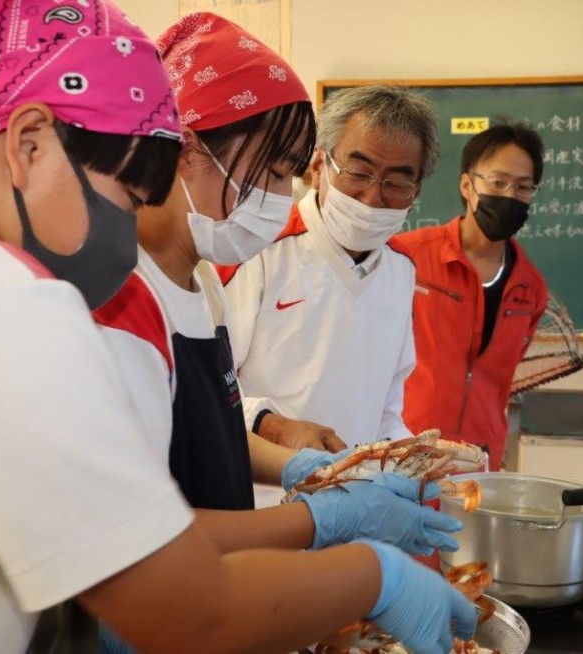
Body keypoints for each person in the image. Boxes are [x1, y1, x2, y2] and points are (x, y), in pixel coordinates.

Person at [0, 3, 476, 653]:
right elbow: (192, 614)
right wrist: (371, 575)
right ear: (28, 143)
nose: (125, 237)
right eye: (126, 195)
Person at [92, 18, 465, 652]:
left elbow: (207, 424)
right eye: (273, 170)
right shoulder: (122, 300)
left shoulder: (200, 282)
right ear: (186, 147)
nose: (278, 194)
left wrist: (316, 467)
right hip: (184, 597)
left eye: (286, 173)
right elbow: (128, 540)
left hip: (235, 574)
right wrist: (325, 514)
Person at [219, 85, 438, 452]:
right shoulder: (256, 251)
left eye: (397, 182)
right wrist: (272, 425)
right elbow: (205, 386)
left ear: (416, 191)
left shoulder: (402, 270)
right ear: (319, 166)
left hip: (359, 492)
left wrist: (411, 457)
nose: (372, 198)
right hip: (263, 494)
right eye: (358, 172)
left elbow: (386, 409)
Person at [392, 122, 549, 470]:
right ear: (467, 184)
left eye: (523, 187)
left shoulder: (530, 287)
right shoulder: (409, 256)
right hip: (406, 450)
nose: (509, 195)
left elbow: (499, 378)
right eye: (497, 182)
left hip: (480, 461)